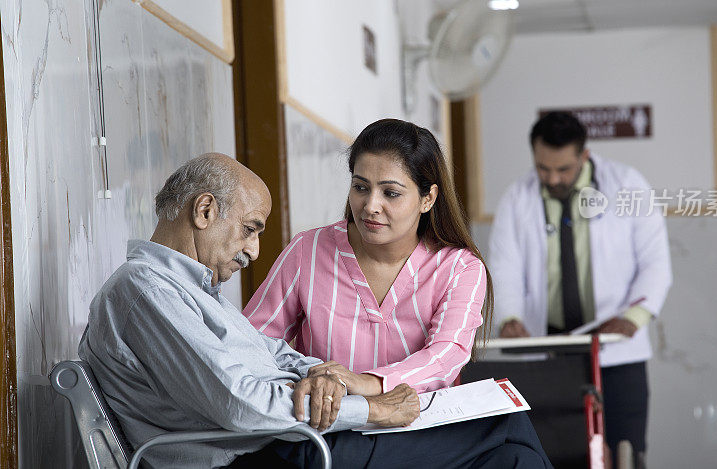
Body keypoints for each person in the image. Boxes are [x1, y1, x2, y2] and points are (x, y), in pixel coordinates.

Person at [79, 152, 553, 468]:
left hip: (291, 439)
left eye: (392, 193)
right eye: (249, 229)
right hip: (261, 453)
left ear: (426, 200)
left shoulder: (192, 290)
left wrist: (327, 376)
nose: (254, 250)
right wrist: (368, 408)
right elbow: (239, 403)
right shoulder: (144, 292)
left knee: (511, 450)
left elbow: (270, 354)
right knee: (506, 435)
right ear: (204, 212)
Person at [244, 119, 492, 396]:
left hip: (422, 431)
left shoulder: (459, 268)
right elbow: (250, 344)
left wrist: (368, 383)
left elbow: (446, 356)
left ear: (428, 199)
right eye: (361, 187)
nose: (371, 206)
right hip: (329, 432)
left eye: (391, 193)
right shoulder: (307, 250)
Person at [489, 112, 672, 467]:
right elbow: (504, 267)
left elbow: (655, 263)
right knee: (549, 455)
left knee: (625, 453)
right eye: (543, 169)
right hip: (548, 354)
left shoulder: (627, 184)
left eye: (564, 169)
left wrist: (633, 319)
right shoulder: (516, 198)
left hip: (617, 353)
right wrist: (510, 317)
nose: (553, 178)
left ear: (584, 156)